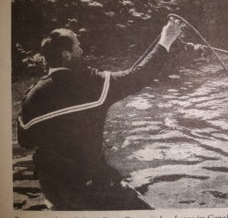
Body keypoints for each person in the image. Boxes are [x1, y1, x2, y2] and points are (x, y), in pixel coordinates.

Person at [16, 18, 184, 210]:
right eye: (78, 46)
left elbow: (25, 141)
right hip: (87, 182)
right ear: (66, 55)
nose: (82, 50)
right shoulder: (91, 84)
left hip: (52, 188)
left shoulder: (31, 96)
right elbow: (139, 76)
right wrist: (166, 40)